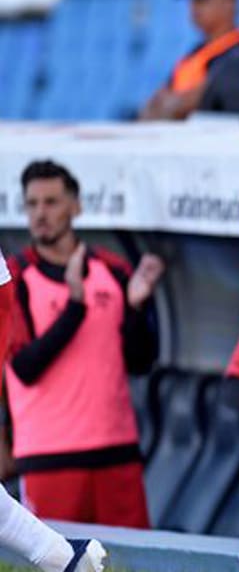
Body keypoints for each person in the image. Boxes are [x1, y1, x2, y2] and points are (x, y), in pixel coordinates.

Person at [6, 160, 161, 528]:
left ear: (76, 206)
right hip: (49, 458)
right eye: (33, 204)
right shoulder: (16, 280)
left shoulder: (114, 270)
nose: (41, 213)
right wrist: (74, 307)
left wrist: (138, 309)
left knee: (128, 565)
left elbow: (140, 362)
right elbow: (24, 367)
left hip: (116, 452)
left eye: (51, 202)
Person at [0, 245, 108, 572]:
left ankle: (60, 556)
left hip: (108, 441)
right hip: (47, 447)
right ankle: (62, 557)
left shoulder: (106, 266)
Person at [141, 0, 239, 120]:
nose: (194, 7)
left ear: (229, 2)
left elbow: (210, 94)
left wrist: (176, 104)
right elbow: (156, 101)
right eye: (192, 0)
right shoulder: (193, 53)